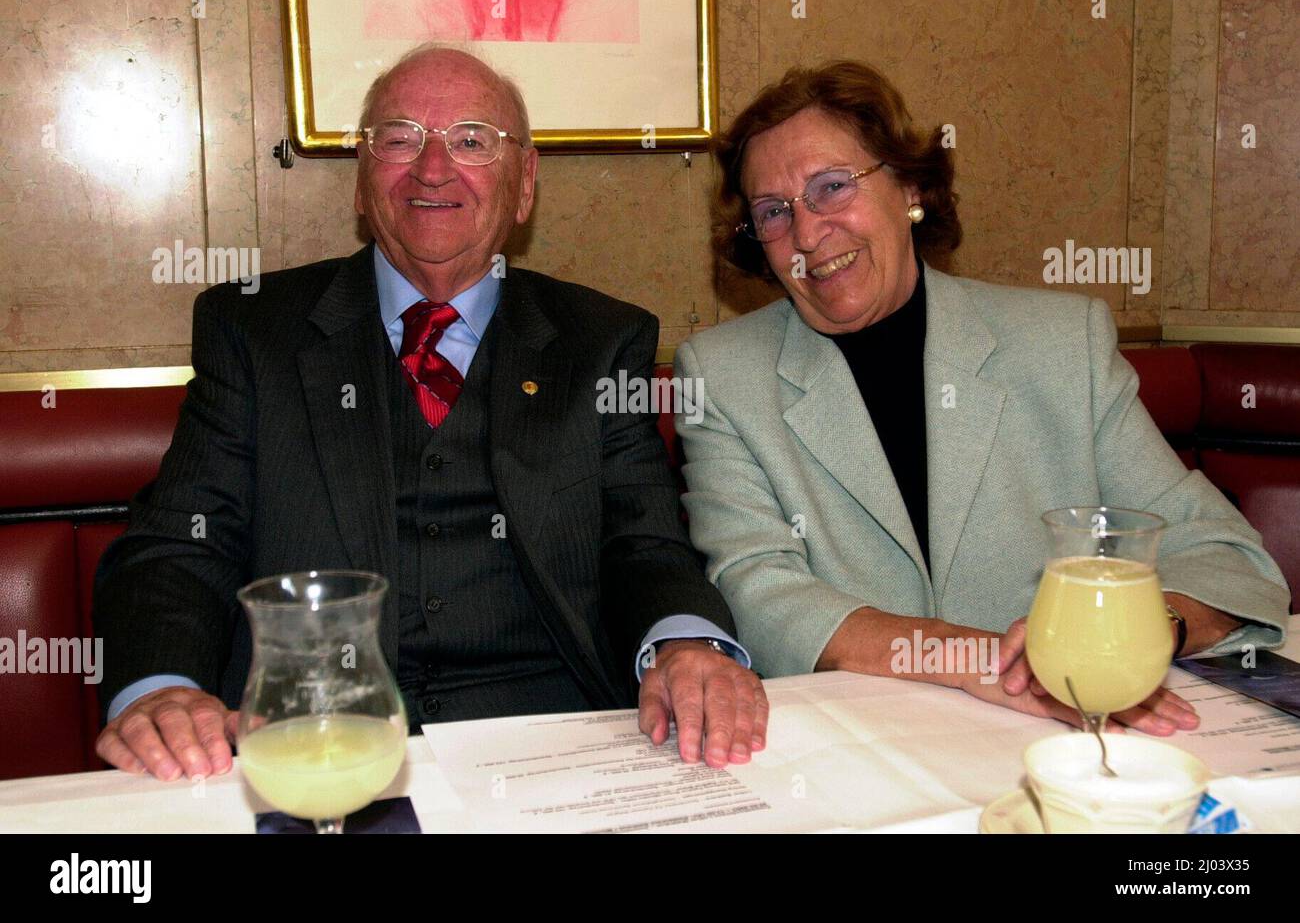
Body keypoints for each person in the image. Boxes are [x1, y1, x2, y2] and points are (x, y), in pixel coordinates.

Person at [94, 45, 767, 781]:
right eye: (399, 137)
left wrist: (688, 644)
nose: (434, 167)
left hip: (559, 747)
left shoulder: (600, 342)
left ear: (524, 184)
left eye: (473, 140)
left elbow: (645, 543)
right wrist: (160, 689)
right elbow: (181, 545)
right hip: (320, 750)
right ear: (362, 179)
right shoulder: (254, 332)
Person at [675, 60, 1290, 735]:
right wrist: (975, 659)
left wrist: (1137, 634)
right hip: (857, 749)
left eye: (831, 187)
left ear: (909, 186)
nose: (809, 233)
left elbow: (1224, 556)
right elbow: (757, 589)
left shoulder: (1060, 344)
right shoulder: (724, 376)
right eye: (773, 212)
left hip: (1065, 735)